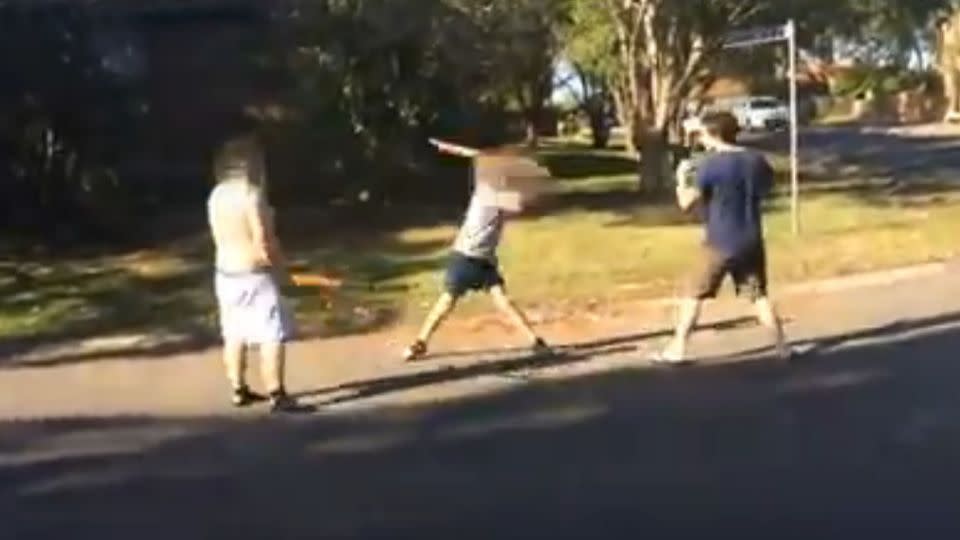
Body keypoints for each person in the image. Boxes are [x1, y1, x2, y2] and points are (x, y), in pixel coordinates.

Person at [652, 111, 790, 364]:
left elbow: (686, 203)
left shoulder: (710, 165)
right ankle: (782, 347)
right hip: (750, 239)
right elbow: (767, 187)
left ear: (713, 134)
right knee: (757, 295)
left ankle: (677, 348)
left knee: (693, 293)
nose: (701, 138)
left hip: (719, 242)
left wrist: (681, 178)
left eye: (703, 133)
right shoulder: (756, 160)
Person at [402, 139, 552, 362]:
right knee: (446, 303)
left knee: (503, 301)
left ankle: (535, 341)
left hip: (484, 260)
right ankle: (420, 343)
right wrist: (449, 149)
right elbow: (481, 157)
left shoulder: (504, 198)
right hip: (465, 255)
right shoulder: (486, 192)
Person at [207, 133, 303, 412]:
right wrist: (281, 267)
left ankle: (239, 389)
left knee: (234, 332)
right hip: (255, 274)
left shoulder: (216, 195)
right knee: (271, 332)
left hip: (225, 272)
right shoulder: (252, 195)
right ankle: (277, 393)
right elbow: (263, 240)